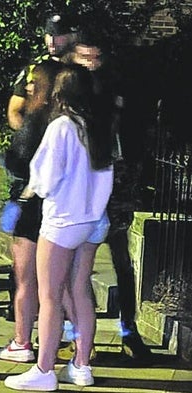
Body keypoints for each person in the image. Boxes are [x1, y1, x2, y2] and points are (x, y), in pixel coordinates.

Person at [4, 64, 113, 390]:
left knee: (49, 296)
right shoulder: (98, 126)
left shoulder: (61, 126)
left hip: (63, 221)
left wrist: (28, 192)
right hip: (94, 220)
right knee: (80, 292)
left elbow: (45, 178)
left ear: (59, 94)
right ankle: (81, 365)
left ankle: (44, 370)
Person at [71, 31, 152, 361]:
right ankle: (78, 335)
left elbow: (132, 136)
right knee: (76, 268)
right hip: (80, 192)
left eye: (96, 58)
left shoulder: (117, 90)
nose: (91, 65)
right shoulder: (71, 91)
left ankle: (128, 330)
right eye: (84, 58)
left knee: (121, 260)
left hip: (114, 187)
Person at [0, 60, 63, 362]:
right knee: (59, 284)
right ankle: (68, 344)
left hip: (28, 203)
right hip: (59, 207)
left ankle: (22, 342)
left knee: (25, 279)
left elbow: (18, 161)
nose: (29, 86)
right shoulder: (67, 120)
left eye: (34, 81)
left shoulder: (35, 120)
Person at [7, 13, 78, 131]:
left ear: (72, 36)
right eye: (49, 35)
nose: (52, 40)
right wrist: (28, 137)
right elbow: (14, 111)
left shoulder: (83, 67)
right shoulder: (35, 68)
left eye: (58, 35)